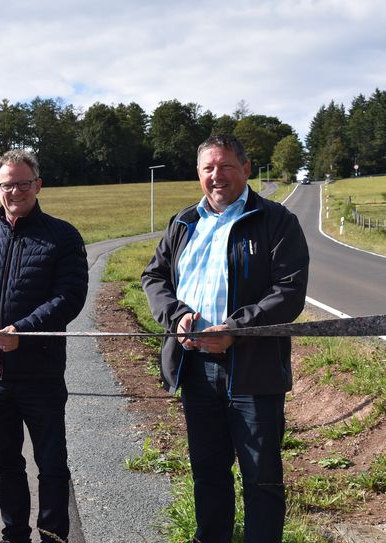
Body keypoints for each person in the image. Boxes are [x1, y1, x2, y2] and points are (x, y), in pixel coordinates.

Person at [141, 135, 309, 542]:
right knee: (209, 472)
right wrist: (177, 316)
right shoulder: (184, 223)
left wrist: (237, 329)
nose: (217, 176)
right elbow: (154, 278)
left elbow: (289, 291)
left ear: (246, 169)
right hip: (195, 368)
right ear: (199, 174)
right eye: (208, 168)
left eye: (225, 166)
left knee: (261, 477)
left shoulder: (275, 220)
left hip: (254, 371)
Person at [0, 150, 89, 543]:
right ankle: (14, 533)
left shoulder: (62, 236)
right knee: (4, 464)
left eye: (23, 183)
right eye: (7, 184)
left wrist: (25, 330)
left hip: (41, 374)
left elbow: (70, 296)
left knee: (50, 464)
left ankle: (53, 535)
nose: (15, 191)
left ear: (38, 185)